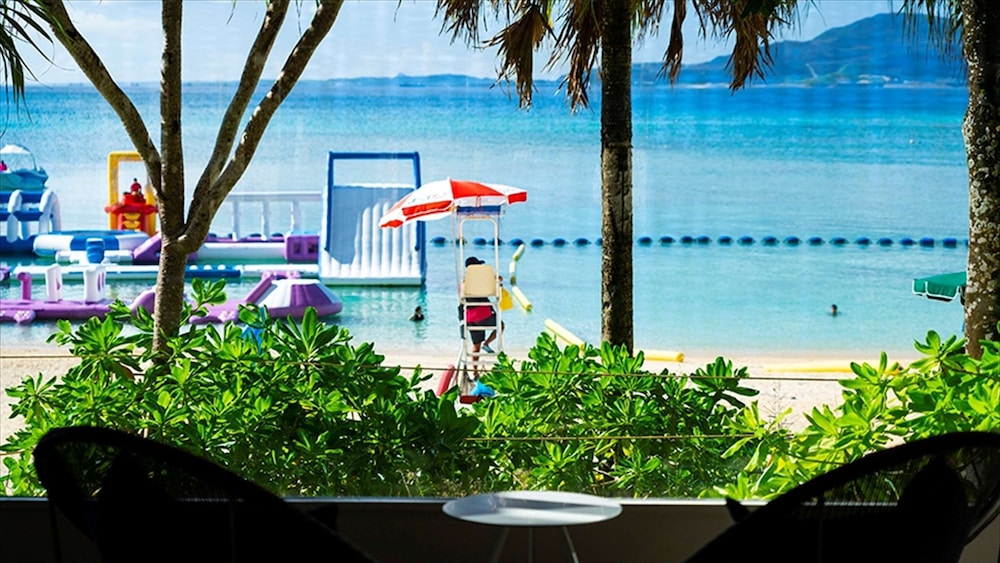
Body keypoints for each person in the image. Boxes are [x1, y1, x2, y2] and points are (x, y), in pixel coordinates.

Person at [463, 256, 504, 354]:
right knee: (501, 325)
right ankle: (487, 343)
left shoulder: (464, 282)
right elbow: (494, 290)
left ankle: (474, 364)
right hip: (483, 315)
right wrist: (497, 281)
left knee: (476, 346)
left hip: (470, 318)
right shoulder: (480, 281)